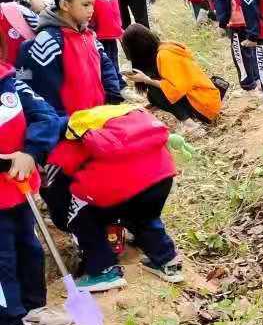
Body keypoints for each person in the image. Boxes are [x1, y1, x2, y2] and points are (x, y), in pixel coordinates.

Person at [46, 105, 182, 291]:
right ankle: (167, 261)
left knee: (78, 217)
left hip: (118, 186)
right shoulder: (118, 121)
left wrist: (63, 221)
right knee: (144, 216)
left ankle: (103, 270)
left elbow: (54, 188)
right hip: (161, 178)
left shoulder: (62, 147)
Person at [0, 47, 68, 325]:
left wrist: (30, 152)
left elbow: (46, 116)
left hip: (18, 188)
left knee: (28, 247)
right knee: (2, 261)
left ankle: (31, 307)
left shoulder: (9, 79)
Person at [16, 0, 123, 117]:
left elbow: (106, 65)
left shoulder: (89, 34)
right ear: (65, 5)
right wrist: (61, 124)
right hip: (72, 125)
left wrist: (112, 96)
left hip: (98, 115)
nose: (91, 9)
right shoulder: (48, 41)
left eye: (92, 4)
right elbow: (44, 90)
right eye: (85, 4)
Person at [119, 24, 223, 134]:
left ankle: (192, 125)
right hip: (205, 99)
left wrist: (146, 79)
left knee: (156, 90)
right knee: (152, 95)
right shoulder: (161, 49)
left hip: (205, 106)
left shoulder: (165, 55)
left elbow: (176, 89)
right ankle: (189, 118)